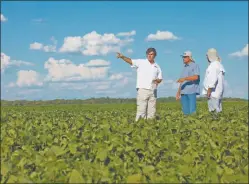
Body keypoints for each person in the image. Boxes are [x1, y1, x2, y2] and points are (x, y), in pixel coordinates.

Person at [116, 48, 163, 121]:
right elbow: (131, 61)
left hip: (153, 91)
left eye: (151, 54)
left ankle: (150, 126)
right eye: (148, 54)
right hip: (142, 89)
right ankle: (139, 127)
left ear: (155, 55)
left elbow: (160, 78)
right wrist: (122, 57)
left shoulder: (157, 66)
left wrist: (158, 80)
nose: (149, 56)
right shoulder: (141, 62)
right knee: (141, 110)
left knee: (152, 111)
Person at [176, 51, 200, 115]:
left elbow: (196, 77)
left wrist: (185, 78)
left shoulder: (195, 65)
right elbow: (182, 81)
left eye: (185, 57)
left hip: (191, 91)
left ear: (189, 57)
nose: (183, 58)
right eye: (183, 57)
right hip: (183, 92)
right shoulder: (184, 67)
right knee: (185, 112)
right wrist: (178, 92)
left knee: (192, 111)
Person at [202, 48, 225, 113]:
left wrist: (209, 90)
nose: (206, 57)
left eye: (207, 56)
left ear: (210, 55)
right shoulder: (219, 64)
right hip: (218, 91)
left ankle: (215, 122)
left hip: (213, 92)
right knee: (218, 109)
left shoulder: (214, 65)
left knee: (213, 110)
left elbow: (213, 78)